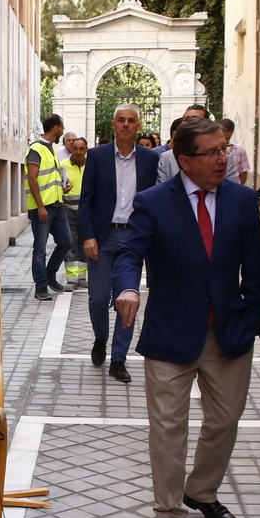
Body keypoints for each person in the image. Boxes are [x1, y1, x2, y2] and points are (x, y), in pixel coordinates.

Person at [112, 118, 260, 518]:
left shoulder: (240, 200)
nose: (224, 158)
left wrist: (252, 319)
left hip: (229, 332)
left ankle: (202, 491)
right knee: (167, 428)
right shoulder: (154, 202)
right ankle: (168, 514)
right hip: (170, 334)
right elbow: (129, 252)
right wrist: (127, 287)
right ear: (184, 161)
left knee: (224, 421)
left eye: (225, 149)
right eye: (213, 152)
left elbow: (257, 266)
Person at [80, 104, 161, 383]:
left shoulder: (151, 160)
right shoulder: (97, 156)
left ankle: (119, 359)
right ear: (113, 124)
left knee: (127, 300)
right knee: (98, 299)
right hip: (103, 237)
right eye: (121, 120)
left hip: (134, 238)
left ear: (138, 125)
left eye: (131, 120)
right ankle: (101, 337)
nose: (126, 124)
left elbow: (156, 201)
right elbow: (86, 199)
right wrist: (87, 235)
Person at [26, 114, 75, 300]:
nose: (62, 131)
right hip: (42, 208)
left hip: (56, 205)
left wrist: (64, 186)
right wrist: (40, 207)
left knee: (66, 242)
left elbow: (49, 177)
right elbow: (32, 178)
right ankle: (40, 287)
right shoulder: (36, 149)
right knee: (40, 248)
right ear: (56, 128)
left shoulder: (51, 150)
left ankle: (49, 275)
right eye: (61, 128)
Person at [156, 104, 212, 183]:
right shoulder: (167, 158)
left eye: (195, 119)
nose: (190, 123)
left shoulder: (221, 155)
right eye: (186, 119)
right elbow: (161, 191)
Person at [61, 136, 90, 287]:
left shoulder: (92, 165)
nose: (78, 152)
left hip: (87, 212)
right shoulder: (62, 166)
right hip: (69, 211)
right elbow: (57, 186)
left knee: (85, 243)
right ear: (71, 149)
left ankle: (82, 277)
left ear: (86, 150)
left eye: (82, 148)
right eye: (75, 148)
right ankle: (71, 278)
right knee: (70, 243)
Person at [221, 118, 252, 185]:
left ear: (232, 133)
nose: (225, 141)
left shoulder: (239, 150)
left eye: (227, 138)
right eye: (223, 137)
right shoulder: (212, 150)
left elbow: (243, 174)